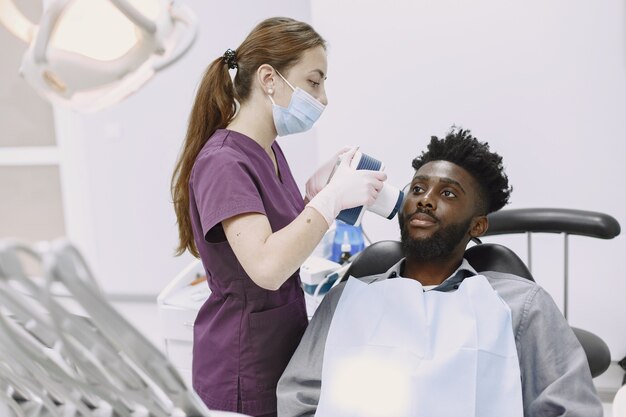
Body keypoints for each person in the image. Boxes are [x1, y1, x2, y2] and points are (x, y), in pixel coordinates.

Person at [277, 128, 603, 417]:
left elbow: (573, 408)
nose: (425, 201)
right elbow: (299, 400)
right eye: (417, 189)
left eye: (447, 194)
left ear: (478, 225)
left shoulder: (522, 307)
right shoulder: (345, 300)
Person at [170, 17, 386, 417]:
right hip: (242, 363)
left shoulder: (267, 150)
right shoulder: (224, 162)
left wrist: (313, 196)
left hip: (277, 350)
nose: (323, 98)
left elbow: (276, 233)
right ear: (269, 78)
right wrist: (331, 202)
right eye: (314, 82)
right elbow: (267, 267)